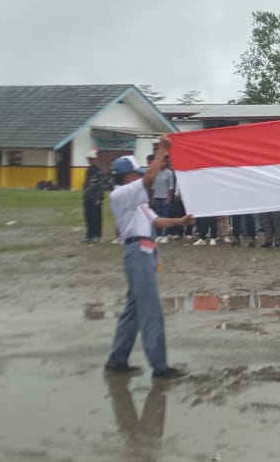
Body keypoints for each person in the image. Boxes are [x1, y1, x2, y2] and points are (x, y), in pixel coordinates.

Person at [105, 138, 192, 380]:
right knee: (151, 309)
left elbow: (156, 221)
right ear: (129, 177)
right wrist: (162, 150)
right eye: (138, 173)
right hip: (137, 252)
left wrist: (180, 221)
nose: (143, 176)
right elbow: (149, 178)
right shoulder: (121, 194)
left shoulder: (138, 200)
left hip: (145, 251)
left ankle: (117, 360)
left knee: (133, 309)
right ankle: (160, 367)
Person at [149, 154, 174, 244]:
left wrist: (168, 197)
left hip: (165, 197)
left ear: (165, 162)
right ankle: (159, 234)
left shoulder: (169, 173)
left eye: (163, 162)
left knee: (165, 216)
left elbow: (170, 187)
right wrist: (152, 198)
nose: (161, 164)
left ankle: (165, 235)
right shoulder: (156, 172)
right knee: (157, 216)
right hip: (156, 197)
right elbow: (153, 187)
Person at [83, 149, 106, 243]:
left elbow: (101, 185)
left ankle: (97, 235)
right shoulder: (88, 170)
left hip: (95, 197)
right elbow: (86, 183)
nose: (90, 160)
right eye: (89, 159)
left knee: (96, 217)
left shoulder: (98, 171)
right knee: (88, 216)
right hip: (88, 196)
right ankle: (89, 235)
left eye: (91, 159)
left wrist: (99, 198)